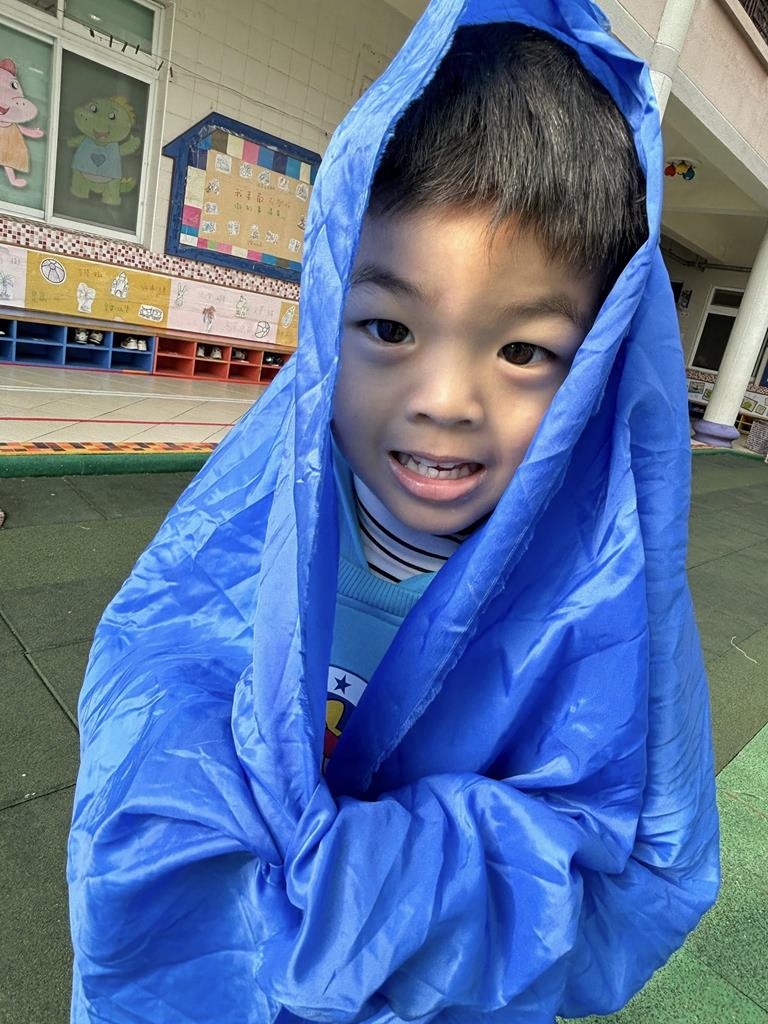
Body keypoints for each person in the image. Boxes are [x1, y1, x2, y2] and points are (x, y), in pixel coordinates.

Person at [68, 2, 720, 1023]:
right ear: (330, 307)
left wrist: (359, 877)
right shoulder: (265, 505)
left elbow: (637, 873)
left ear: (596, 368)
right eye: (387, 328)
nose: (446, 400)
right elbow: (148, 673)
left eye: (524, 351)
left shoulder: (603, 603)